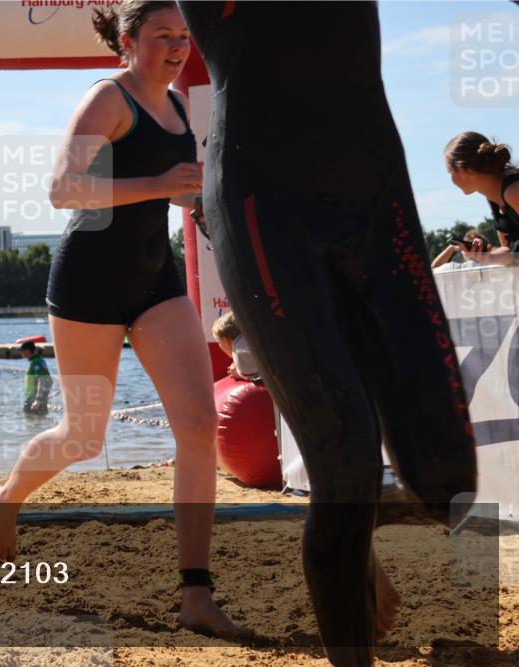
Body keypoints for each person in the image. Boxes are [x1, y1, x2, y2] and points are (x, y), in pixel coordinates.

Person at [177, 3, 477, 664]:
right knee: (343, 456)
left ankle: (354, 524)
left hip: (374, 188)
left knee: (447, 482)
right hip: (264, 198)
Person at [0, 1, 246, 641]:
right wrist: (161, 182)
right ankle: (7, 498)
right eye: (163, 36)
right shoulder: (108, 100)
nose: (179, 47)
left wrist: (203, 202)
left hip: (154, 278)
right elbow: (63, 189)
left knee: (198, 424)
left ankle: (195, 594)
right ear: (128, 42)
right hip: (88, 283)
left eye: (184, 37)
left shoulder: (181, 107)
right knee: (84, 439)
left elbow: (178, 187)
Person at [445, 132, 518, 265]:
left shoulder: (513, 192)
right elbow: (511, 251)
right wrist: (485, 257)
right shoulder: (493, 196)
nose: (450, 179)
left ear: (463, 170)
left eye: (450, 172)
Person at [210, 312, 259, 381]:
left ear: (225, 341)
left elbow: (255, 373)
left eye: (219, 342)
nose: (219, 346)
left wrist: (237, 372)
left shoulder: (240, 351)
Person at [18, 341, 53, 414]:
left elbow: (42, 380)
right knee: (37, 422)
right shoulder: (39, 360)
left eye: (21, 351)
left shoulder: (36, 362)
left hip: (34, 400)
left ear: (27, 351)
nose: (20, 353)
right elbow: (50, 380)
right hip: (36, 399)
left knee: (30, 421)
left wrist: (38, 400)